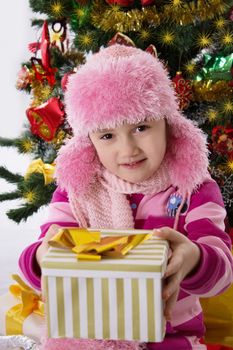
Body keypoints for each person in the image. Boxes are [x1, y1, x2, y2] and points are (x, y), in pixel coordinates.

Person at [19, 44, 233, 350]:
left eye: (141, 127)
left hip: (170, 338)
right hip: (92, 330)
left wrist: (194, 259)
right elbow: (38, 257)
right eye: (107, 135)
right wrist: (43, 259)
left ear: (168, 125)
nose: (128, 150)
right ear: (89, 141)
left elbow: (223, 272)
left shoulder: (194, 188)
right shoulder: (78, 191)